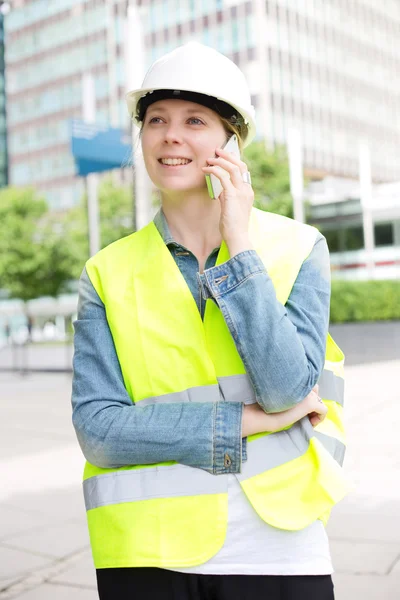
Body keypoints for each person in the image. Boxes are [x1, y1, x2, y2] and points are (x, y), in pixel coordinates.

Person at [72, 42, 348, 600]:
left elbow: (288, 387)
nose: (171, 135)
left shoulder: (298, 247)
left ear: (230, 142)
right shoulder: (106, 271)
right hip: (145, 548)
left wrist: (238, 245)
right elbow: (98, 432)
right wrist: (247, 422)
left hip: (280, 544)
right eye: (156, 120)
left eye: (195, 120)